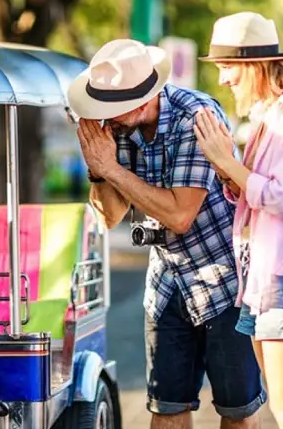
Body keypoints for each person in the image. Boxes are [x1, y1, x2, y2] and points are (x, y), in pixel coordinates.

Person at [67, 39, 265, 429]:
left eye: (112, 108)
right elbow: (110, 216)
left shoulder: (196, 117)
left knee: (237, 414)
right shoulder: (119, 125)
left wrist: (113, 169)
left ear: (143, 101)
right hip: (168, 283)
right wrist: (97, 169)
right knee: (166, 409)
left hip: (224, 280)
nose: (105, 118)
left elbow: (179, 216)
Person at [193, 12, 283, 429]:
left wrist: (226, 161)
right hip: (262, 278)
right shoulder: (268, 116)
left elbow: (280, 196)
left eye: (227, 68)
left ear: (253, 66)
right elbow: (252, 194)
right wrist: (228, 171)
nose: (222, 79)